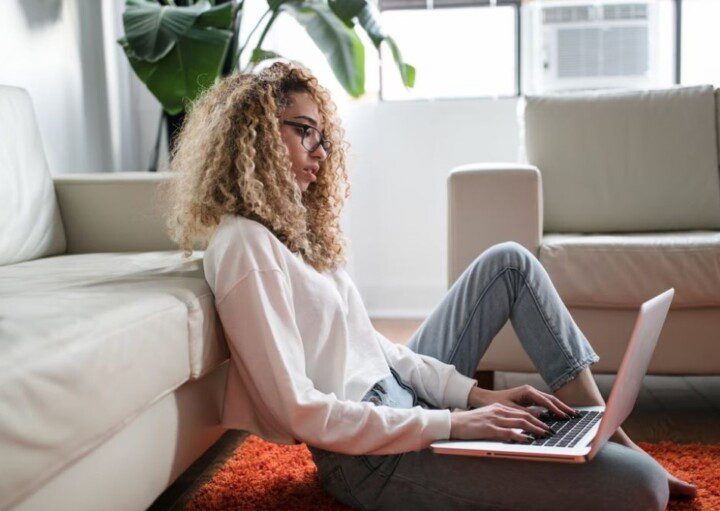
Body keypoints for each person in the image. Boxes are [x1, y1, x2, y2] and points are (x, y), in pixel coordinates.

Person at [162, 60, 696, 510]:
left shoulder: (292, 235)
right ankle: (603, 446)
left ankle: (602, 427)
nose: (320, 153)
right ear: (253, 134)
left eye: (322, 137)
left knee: (509, 262)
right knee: (642, 488)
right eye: (303, 130)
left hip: (403, 405)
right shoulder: (243, 246)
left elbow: (375, 349)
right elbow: (298, 410)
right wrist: (454, 424)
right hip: (371, 459)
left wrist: (474, 395)